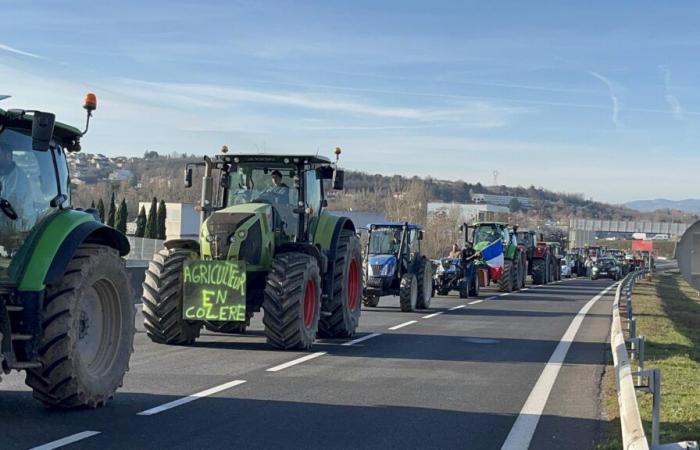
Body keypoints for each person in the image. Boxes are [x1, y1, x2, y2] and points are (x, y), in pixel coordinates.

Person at [0, 143, 34, 231]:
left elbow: (10, 208)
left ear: (8, 156)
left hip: (18, 225)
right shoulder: (4, 175)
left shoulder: (17, 178)